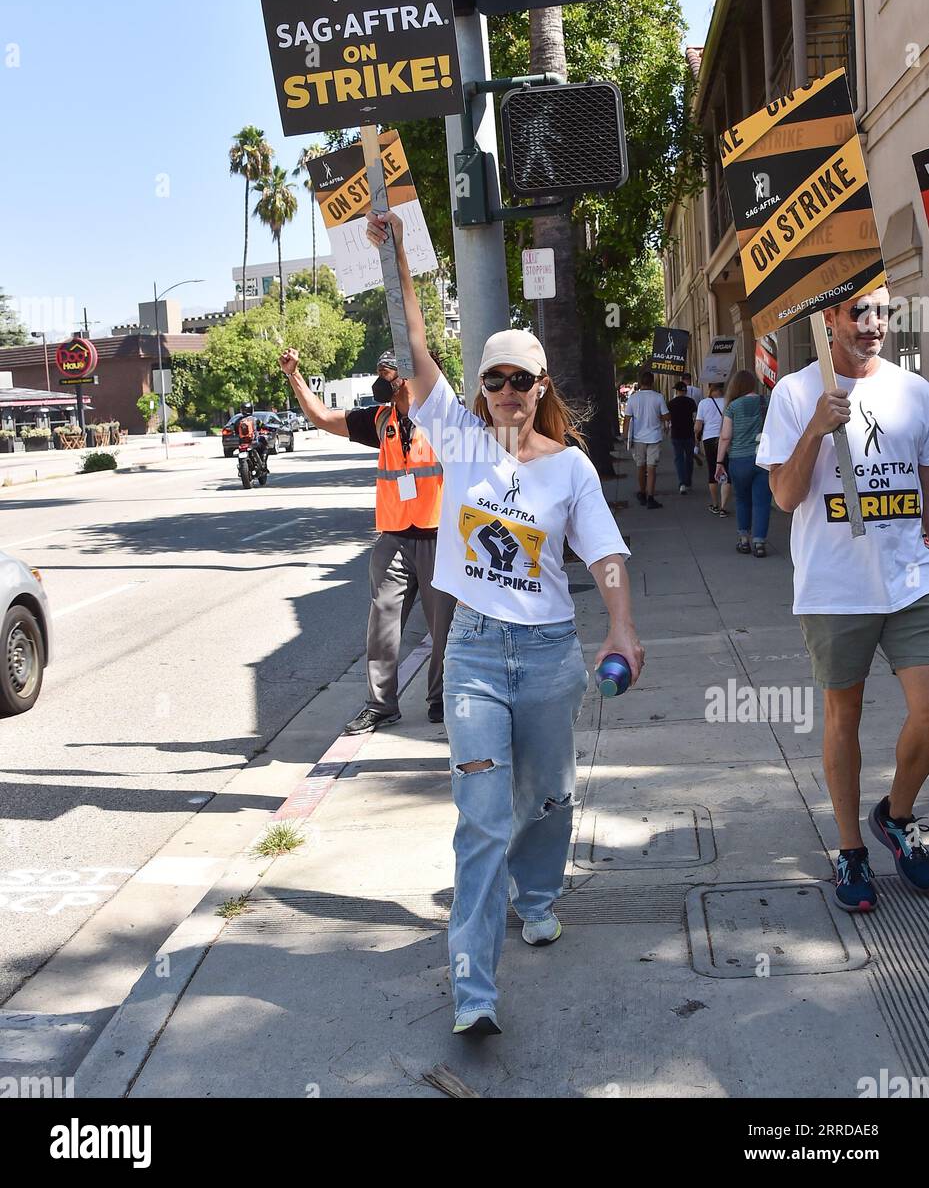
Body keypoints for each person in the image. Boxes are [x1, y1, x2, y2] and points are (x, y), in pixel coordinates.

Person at [365, 208, 644, 1037]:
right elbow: (414, 347)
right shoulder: (453, 436)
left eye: (523, 380)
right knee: (482, 819)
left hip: (552, 656)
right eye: (495, 380)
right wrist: (401, 263)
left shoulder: (570, 468)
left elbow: (604, 557)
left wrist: (621, 628)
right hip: (477, 658)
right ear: (479, 389)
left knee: (547, 800)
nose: (509, 393)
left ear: (543, 387)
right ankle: (474, 989)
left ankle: (538, 896)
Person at [757, 286, 929, 913]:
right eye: (858, 311)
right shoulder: (795, 392)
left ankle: (898, 817)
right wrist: (817, 428)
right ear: (829, 317)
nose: (873, 323)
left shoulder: (914, 391)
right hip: (836, 588)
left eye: (882, 310)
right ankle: (852, 849)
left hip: (912, 582)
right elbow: (782, 495)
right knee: (844, 717)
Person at [279, 346, 455, 733]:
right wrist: (295, 376)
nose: (381, 381)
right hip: (394, 538)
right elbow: (323, 417)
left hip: (438, 536)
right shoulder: (380, 420)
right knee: (383, 622)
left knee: (443, 625)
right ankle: (381, 705)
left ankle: (441, 698)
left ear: (408, 375)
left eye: (387, 373)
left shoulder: (445, 421)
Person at [716, 370, 772, 556]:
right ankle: (759, 543)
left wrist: (719, 462)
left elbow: (725, 437)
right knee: (762, 502)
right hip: (762, 459)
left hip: (738, 460)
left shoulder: (732, 407)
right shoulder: (767, 401)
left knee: (741, 499)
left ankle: (744, 540)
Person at [622, 369, 670, 509]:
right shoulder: (658, 397)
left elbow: (627, 419)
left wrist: (625, 436)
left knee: (640, 467)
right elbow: (666, 416)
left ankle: (642, 492)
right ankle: (650, 497)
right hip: (654, 437)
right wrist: (659, 417)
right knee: (652, 468)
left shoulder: (633, 398)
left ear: (640, 383)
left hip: (638, 438)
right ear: (652, 382)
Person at [695, 382, 731, 516]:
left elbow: (698, 426)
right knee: (726, 471)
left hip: (709, 439)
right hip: (725, 438)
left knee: (712, 470)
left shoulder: (704, 403)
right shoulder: (728, 401)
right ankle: (723, 507)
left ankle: (715, 504)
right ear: (723, 389)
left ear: (710, 388)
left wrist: (696, 439)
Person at [668, 380, 698, 494]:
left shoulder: (671, 403)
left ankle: (682, 483)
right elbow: (695, 417)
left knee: (679, 459)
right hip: (689, 433)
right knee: (689, 459)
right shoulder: (691, 402)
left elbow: (668, 418)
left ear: (677, 391)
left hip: (676, 433)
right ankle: (688, 481)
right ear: (685, 391)